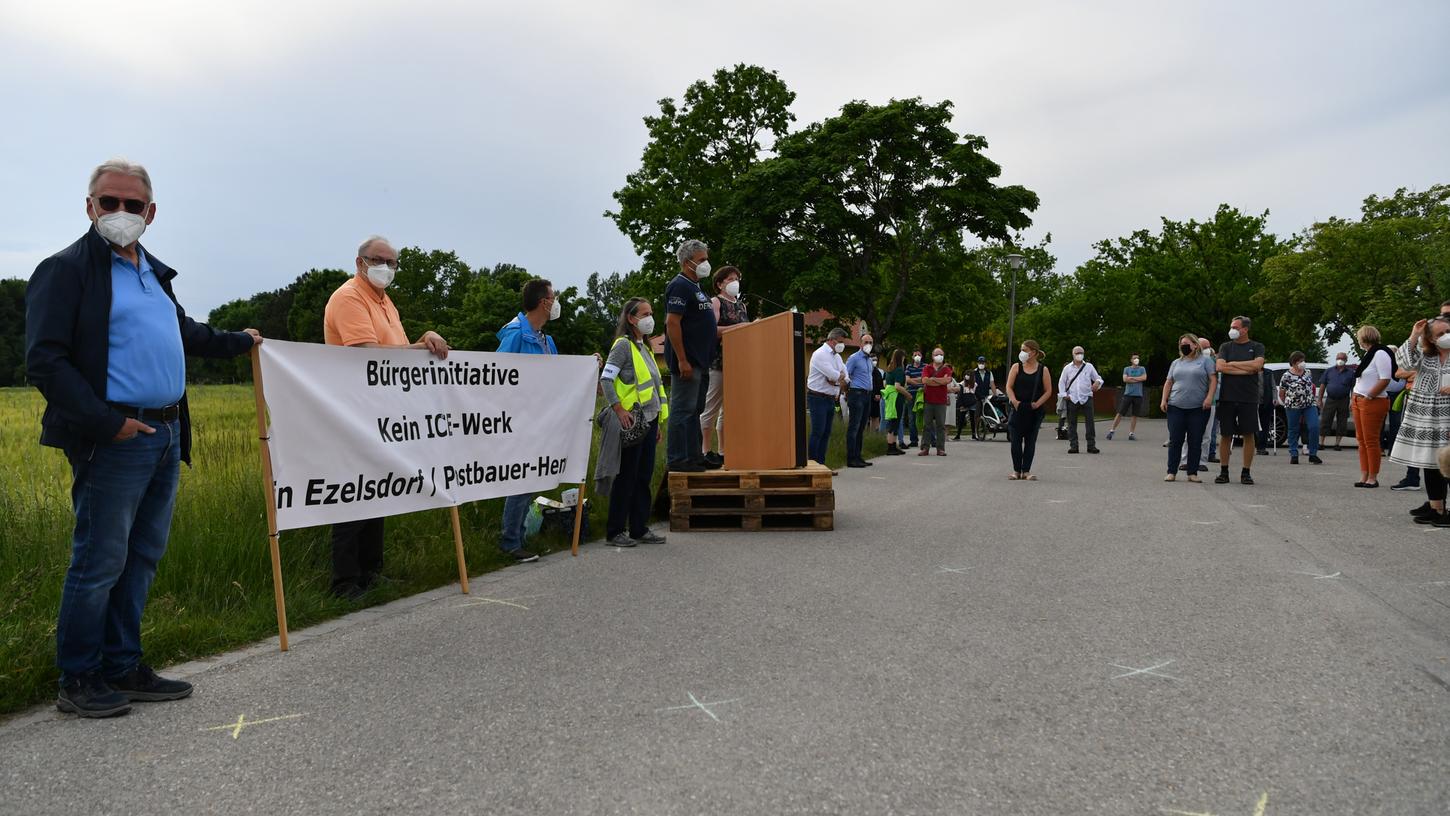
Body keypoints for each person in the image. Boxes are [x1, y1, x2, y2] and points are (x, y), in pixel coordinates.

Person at [25, 159, 262, 717]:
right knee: (99, 559)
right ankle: (78, 678)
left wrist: (239, 341)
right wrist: (106, 423)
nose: (121, 213)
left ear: (151, 213)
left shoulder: (151, 272)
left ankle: (122, 665)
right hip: (114, 436)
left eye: (134, 205)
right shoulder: (67, 270)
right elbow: (45, 361)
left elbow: (182, 333)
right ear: (90, 207)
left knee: (142, 556)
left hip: (165, 429)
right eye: (110, 203)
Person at [323, 236, 452, 596]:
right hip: (353, 411)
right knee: (354, 492)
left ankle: (371, 571)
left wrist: (423, 339)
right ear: (359, 262)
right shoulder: (349, 297)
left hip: (381, 412)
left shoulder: (385, 302)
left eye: (392, 262)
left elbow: (399, 356)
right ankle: (345, 581)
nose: (386, 267)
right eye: (378, 259)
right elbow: (369, 356)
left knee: (377, 491)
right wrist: (422, 344)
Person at [492, 279, 566, 562]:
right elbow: (496, 376)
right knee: (520, 481)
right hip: (520, 421)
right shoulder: (516, 336)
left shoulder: (547, 340)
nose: (556, 301)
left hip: (542, 421)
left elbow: (559, 377)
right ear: (544, 302)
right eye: (554, 296)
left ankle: (520, 536)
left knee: (533, 478)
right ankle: (510, 541)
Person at [598, 298, 669, 546]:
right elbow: (606, 380)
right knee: (626, 476)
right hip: (631, 422)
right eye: (645, 314)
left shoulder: (646, 348)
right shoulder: (623, 346)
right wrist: (618, 409)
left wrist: (657, 422)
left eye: (651, 313)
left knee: (643, 477)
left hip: (649, 421)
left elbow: (654, 388)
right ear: (631, 318)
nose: (650, 318)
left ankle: (639, 527)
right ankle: (615, 530)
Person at [664, 240, 720, 473]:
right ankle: (678, 458)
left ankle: (695, 456)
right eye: (701, 260)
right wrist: (682, 359)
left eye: (706, 258)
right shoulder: (680, 286)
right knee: (683, 409)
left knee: (695, 410)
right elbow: (672, 323)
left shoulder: (697, 287)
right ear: (687, 262)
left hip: (702, 361)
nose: (706, 263)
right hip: (687, 362)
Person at [1393, 317, 1450, 525]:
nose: (1446, 336)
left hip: (1448, 418)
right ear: (1432, 340)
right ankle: (1437, 508)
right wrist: (1414, 335)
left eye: (1448, 331)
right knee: (1431, 462)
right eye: (1440, 334)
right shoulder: (1426, 356)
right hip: (1426, 417)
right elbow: (1404, 363)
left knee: (1449, 463)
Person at [701, 265, 748, 465]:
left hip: (739, 363)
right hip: (718, 362)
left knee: (728, 411)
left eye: (736, 278)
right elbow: (712, 330)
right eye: (729, 279)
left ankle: (723, 450)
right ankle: (704, 451)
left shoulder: (742, 305)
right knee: (711, 407)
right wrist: (742, 327)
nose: (734, 282)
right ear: (719, 284)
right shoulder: (716, 302)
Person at [1214, 316, 1266, 485]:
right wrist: (1245, 368)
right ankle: (1224, 471)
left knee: (1248, 434)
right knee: (1226, 435)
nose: (1232, 330)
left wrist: (1233, 364)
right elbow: (1221, 367)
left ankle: (1246, 472)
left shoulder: (1257, 346)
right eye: (1231, 326)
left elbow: (1257, 366)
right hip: (1227, 397)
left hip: (1248, 398)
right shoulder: (1225, 347)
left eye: (1235, 327)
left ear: (1245, 329)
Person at [1161, 334, 1216, 482]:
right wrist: (1163, 399)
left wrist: (1209, 397)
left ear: (1195, 345)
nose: (1183, 346)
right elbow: (1169, 381)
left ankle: (1192, 472)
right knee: (1175, 440)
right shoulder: (1176, 363)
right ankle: (1171, 471)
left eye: (1187, 343)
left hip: (1198, 407)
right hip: (1176, 406)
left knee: (1195, 440)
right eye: (1181, 344)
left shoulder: (1205, 361)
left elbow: (1213, 380)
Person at [1350, 325, 1393, 488]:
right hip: (1358, 399)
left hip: (1372, 401)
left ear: (1364, 338)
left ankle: (1373, 476)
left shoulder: (1380, 353)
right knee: (1361, 440)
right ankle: (1364, 474)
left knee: (1371, 440)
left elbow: (1385, 379)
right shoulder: (1368, 354)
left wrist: (1369, 395)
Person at [1006, 340, 1053, 480]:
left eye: (1024, 350)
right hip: (1017, 408)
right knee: (1015, 440)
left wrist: (1038, 404)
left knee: (1030, 441)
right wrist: (1014, 401)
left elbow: (1048, 390)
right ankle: (1016, 471)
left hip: (1034, 410)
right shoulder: (1016, 367)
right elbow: (1009, 387)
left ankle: (1026, 471)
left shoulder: (1043, 370)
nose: (1021, 352)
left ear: (1033, 352)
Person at [807, 328, 849, 466]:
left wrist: (837, 378)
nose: (842, 345)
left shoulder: (836, 356)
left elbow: (845, 376)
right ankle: (812, 464)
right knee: (818, 431)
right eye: (840, 342)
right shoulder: (820, 354)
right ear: (832, 340)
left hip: (831, 398)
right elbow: (834, 376)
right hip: (817, 398)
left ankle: (822, 464)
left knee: (826, 432)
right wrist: (838, 378)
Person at [1277, 351, 1322, 465]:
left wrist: (1315, 400)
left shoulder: (1308, 373)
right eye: (1300, 361)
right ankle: (1294, 454)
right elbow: (1282, 393)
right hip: (1293, 406)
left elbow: (1310, 387)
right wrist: (1286, 403)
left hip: (1309, 404)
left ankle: (1313, 454)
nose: (1302, 363)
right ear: (1293, 362)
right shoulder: (1286, 376)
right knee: (1293, 429)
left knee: (1314, 427)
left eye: (1303, 360)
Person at [1058, 346, 1104, 454]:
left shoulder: (1089, 366)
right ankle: (1074, 446)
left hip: (1087, 397)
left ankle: (1091, 445)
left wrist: (1097, 382)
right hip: (1072, 398)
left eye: (1081, 352)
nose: (1079, 354)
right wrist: (1064, 395)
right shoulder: (1068, 368)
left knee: (1090, 422)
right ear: (1073, 354)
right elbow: (1061, 382)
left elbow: (1098, 378)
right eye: (1077, 352)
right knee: (1072, 423)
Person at [844, 333, 876, 468]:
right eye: (866, 342)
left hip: (867, 395)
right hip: (856, 394)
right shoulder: (854, 358)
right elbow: (846, 376)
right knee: (854, 426)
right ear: (860, 344)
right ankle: (851, 458)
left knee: (862, 426)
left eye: (870, 342)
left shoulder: (869, 360)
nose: (868, 344)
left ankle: (858, 456)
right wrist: (847, 392)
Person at [1318, 351, 1356, 451]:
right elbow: (1322, 385)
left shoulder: (1350, 373)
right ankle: (1321, 443)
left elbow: (1353, 388)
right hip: (1330, 399)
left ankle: (1337, 444)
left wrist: (1353, 401)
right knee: (1325, 420)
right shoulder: (1329, 371)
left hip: (1344, 400)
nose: (1340, 360)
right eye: (1338, 358)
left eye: (1342, 358)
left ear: (1346, 360)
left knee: (1342, 421)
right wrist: (1319, 399)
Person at [919, 347, 953, 456]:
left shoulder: (946, 369)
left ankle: (940, 448)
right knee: (927, 425)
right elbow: (924, 380)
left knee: (940, 425)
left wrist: (933, 380)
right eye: (937, 354)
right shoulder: (927, 368)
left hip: (941, 401)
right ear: (933, 356)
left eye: (941, 354)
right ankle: (925, 447)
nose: (939, 356)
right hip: (928, 400)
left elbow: (947, 380)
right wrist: (939, 381)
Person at [1107, 354, 1147, 441]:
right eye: (1134, 358)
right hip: (1128, 394)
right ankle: (1112, 431)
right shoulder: (1127, 369)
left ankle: (1131, 433)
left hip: (1138, 395)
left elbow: (1144, 378)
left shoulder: (1142, 369)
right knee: (1120, 412)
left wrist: (1132, 378)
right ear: (1131, 360)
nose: (1136, 359)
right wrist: (1137, 378)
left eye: (1138, 358)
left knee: (1135, 415)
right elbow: (1125, 379)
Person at [881, 349, 910, 455]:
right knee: (895, 422)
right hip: (897, 398)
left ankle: (893, 445)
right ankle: (891, 447)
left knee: (893, 422)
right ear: (900, 358)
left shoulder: (889, 368)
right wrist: (908, 394)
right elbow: (898, 386)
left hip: (890, 397)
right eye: (903, 357)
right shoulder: (899, 370)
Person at [903, 348, 925, 449]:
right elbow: (907, 380)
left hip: (923, 394)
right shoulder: (909, 366)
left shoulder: (925, 366)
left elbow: (925, 379)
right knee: (912, 418)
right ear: (912, 357)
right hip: (911, 395)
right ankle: (914, 440)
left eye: (919, 354)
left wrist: (913, 380)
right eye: (915, 354)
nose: (917, 356)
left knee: (926, 417)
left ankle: (930, 439)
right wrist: (919, 381)